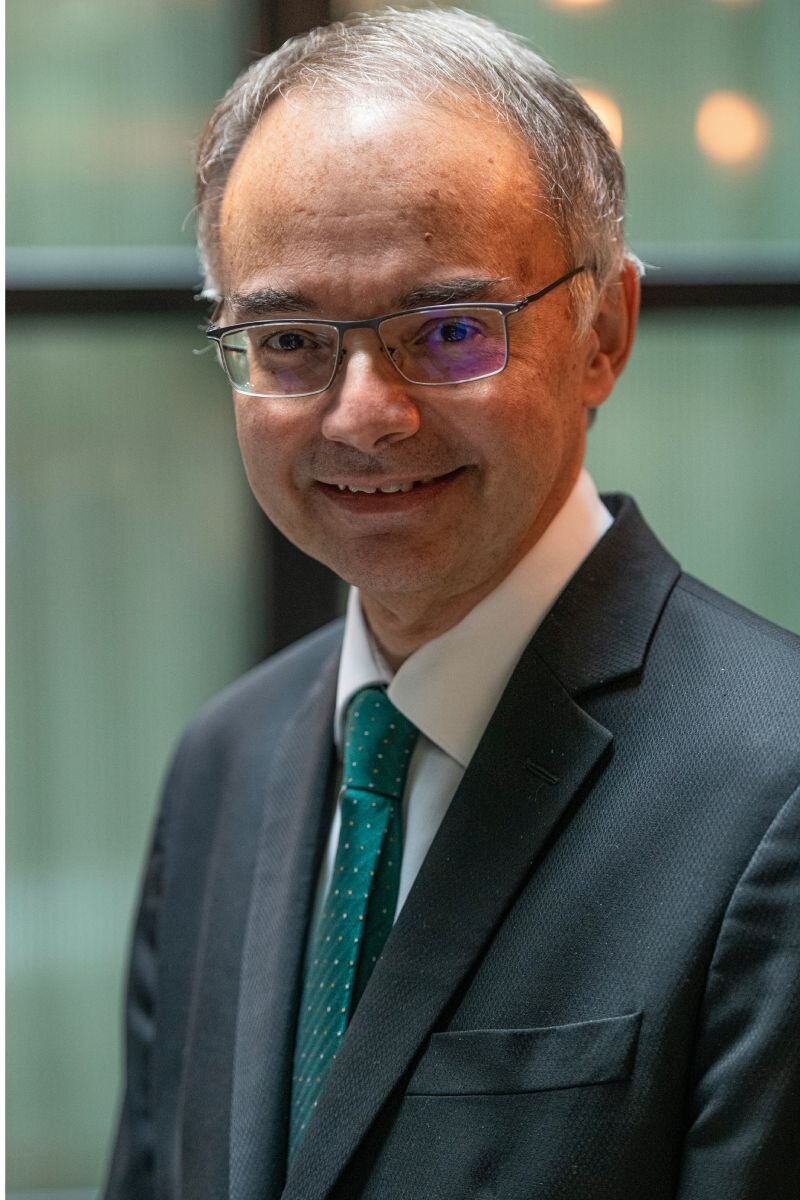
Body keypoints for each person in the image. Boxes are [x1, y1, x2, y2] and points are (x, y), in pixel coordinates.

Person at [103, 9, 799, 1199]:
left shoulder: (772, 789)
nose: (361, 414)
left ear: (604, 334)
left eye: (451, 331)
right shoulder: (221, 764)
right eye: (287, 342)